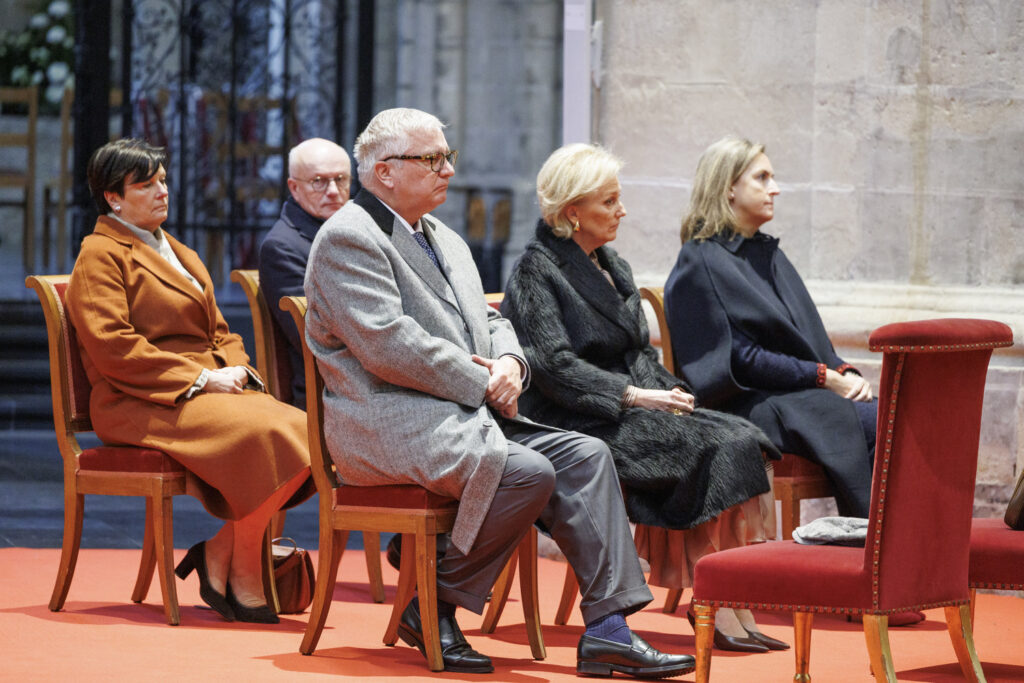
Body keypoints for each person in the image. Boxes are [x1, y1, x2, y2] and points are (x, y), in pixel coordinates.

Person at [304, 108, 694, 677]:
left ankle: (610, 630)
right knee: (526, 471)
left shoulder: (445, 237)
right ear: (385, 172)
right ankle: (434, 605)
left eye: (447, 157)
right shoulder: (347, 237)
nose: (446, 170)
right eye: (430, 159)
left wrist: (512, 363)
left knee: (587, 455)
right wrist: (482, 379)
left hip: (460, 412)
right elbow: (390, 344)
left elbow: (495, 320)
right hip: (387, 421)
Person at [501, 142, 786, 653]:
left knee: (742, 434)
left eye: (618, 199)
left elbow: (637, 351)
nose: (622, 211)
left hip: (627, 405)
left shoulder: (611, 262)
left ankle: (734, 597)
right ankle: (712, 604)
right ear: (572, 212)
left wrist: (670, 392)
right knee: (707, 447)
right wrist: (633, 396)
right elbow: (552, 369)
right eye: (608, 202)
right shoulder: (535, 270)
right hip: (574, 417)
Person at [67, 138, 313, 624]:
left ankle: (225, 551)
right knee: (266, 434)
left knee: (310, 430)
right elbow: (115, 347)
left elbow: (220, 330)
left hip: (198, 389)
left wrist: (237, 369)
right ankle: (239, 570)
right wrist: (200, 378)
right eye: (146, 184)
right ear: (113, 198)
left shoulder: (177, 249)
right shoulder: (99, 255)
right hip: (136, 398)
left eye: (162, 180)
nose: (162, 191)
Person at [664, 135, 877, 521]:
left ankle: (885, 548)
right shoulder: (701, 260)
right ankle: (871, 550)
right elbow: (739, 360)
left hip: (797, 394)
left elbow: (813, 339)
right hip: (746, 405)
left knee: (893, 418)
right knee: (876, 425)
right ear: (728, 187)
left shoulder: (768, 253)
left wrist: (844, 372)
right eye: (761, 178)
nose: (774, 189)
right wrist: (825, 378)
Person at [258, 137, 351, 408]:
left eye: (341, 179)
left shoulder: (359, 227)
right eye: (319, 181)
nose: (333, 191)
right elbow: (321, 342)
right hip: (330, 393)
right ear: (294, 187)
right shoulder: (282, 247)